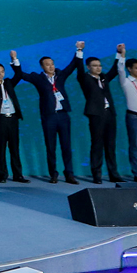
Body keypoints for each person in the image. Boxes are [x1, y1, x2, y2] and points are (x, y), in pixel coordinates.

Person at [23, 44, 79, 184]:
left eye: (52, 64)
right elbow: (22, 75)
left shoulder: (60, 75)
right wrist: (15, 61)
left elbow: (72, 66)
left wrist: (79, 50)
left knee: (66, 146)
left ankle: (69, 174)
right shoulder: (38, 78)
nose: (51, 66)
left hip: (63, 115)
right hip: (49, 117)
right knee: (51, 146)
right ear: (42, 67)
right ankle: (53, 174)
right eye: (47, 65)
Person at [77, 43, 123, 184]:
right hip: (96, 115)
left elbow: (114, 70)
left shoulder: (103, 78)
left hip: (110, 114)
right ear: (88, 67)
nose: (98, 68)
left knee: (110, 145)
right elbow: (79, 68)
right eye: (95, 66)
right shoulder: (84, 78)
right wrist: (79, 50)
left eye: (100, 65)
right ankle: (97, 175)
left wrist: (119, 53)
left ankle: (113, 174)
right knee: (97, 144)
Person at [0, 49, 29, 183]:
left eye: (2, 71)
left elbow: (18, 75)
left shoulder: (8, 82)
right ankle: (2, 175)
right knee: (1, 148)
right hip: (0, 119)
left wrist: (14, 59)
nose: (0, 74)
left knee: (14, 148)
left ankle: (18, 175)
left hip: (13, 118)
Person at [115, 44, 137, 182]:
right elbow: (120, 69)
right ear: (129, 69)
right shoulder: (125, 82)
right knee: (135, 145)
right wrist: (122, 54)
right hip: (134, 117)